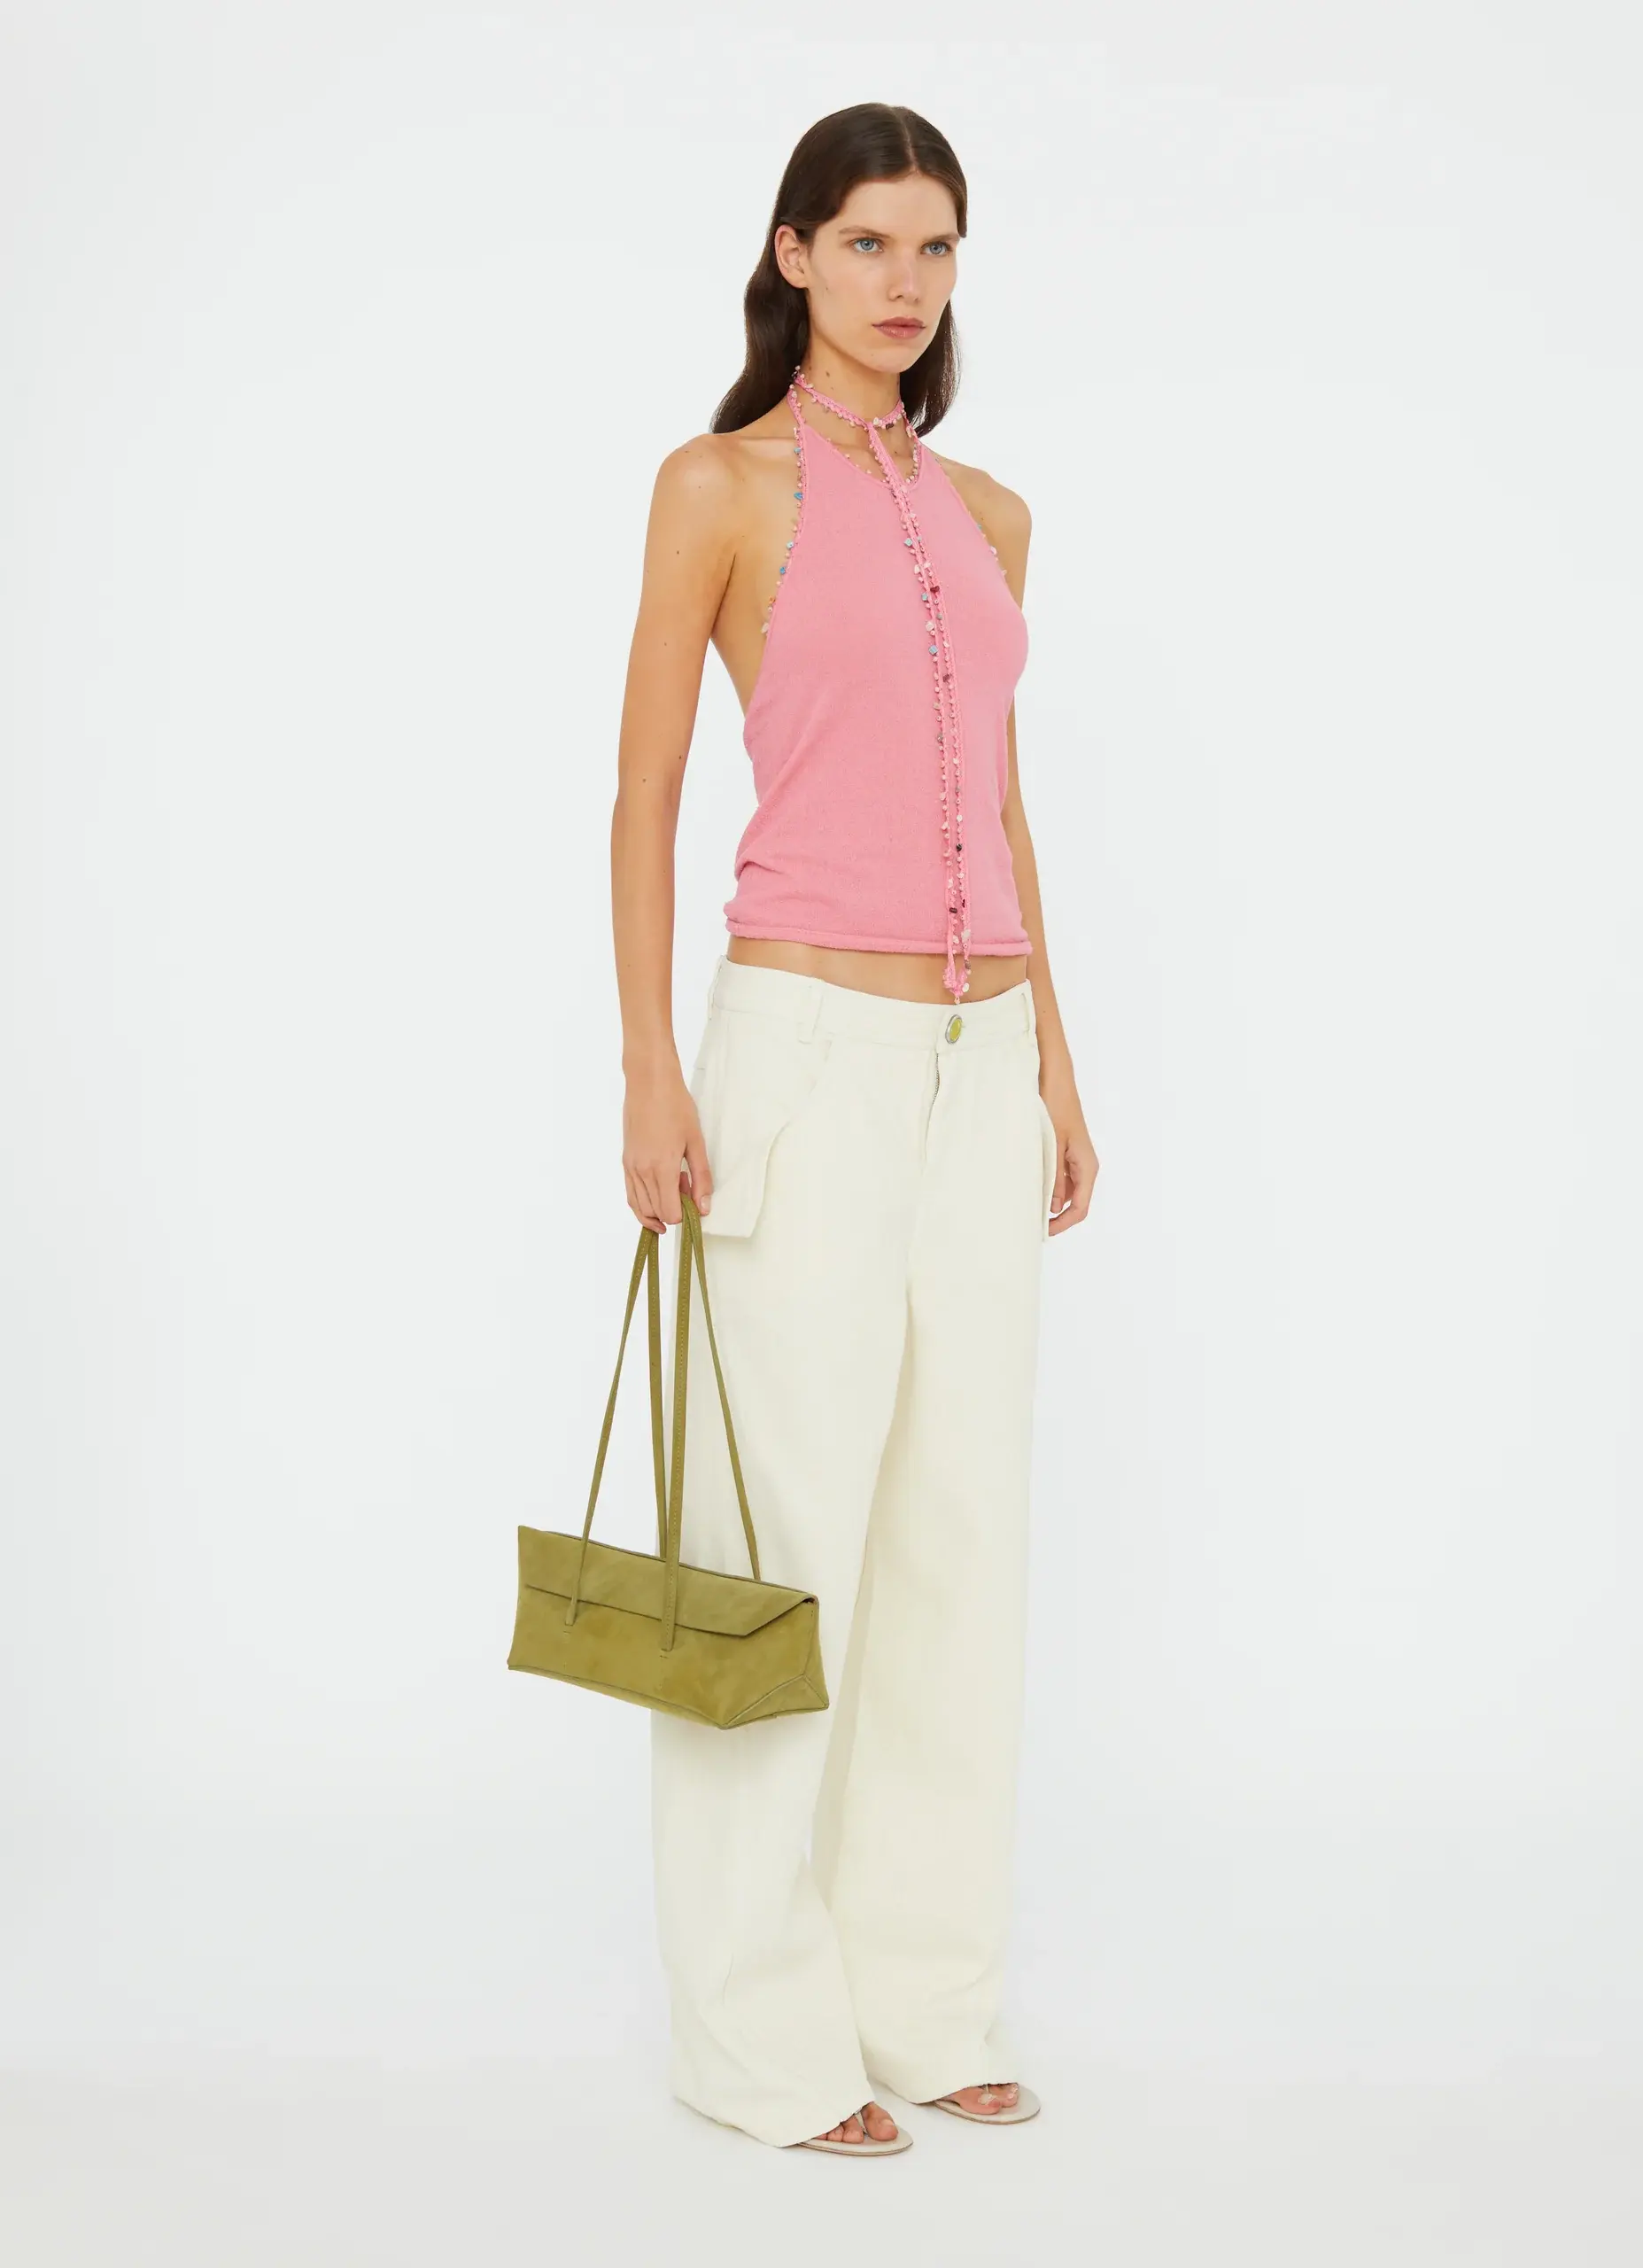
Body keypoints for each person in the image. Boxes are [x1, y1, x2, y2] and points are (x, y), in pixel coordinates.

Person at [609, 101, 1098, 2156]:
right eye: (872, 241)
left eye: (939, 246)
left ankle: (921, 1994)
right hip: (800, 1053)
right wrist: (650, 1065)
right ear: (793, 253)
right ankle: (757, 2037)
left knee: (958, 1536)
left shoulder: (991, 513)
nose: (909, 280)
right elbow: (644, 791)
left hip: (979, 1066)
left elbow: (1001, 798)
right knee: (773, 1546)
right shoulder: (718, 485)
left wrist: (1057, 1056)